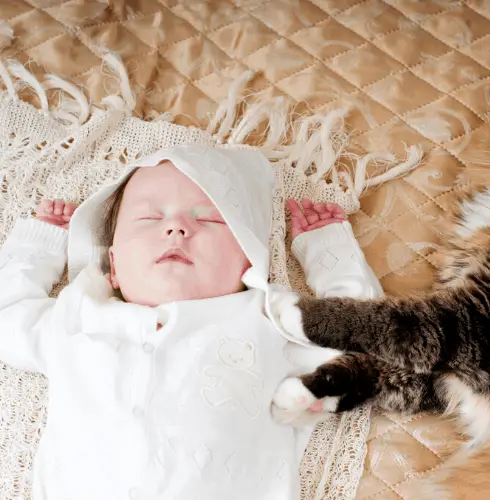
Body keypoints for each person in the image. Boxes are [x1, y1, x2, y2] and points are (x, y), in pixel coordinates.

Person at [0, 145, 382, 500]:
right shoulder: (79, 319)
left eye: (210, 219)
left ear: (249, 262)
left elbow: (362, 339)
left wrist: (327, 251)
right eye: (150, 217)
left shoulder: (264, 322)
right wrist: (40, 245)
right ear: (112, 265)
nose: (177, 229)